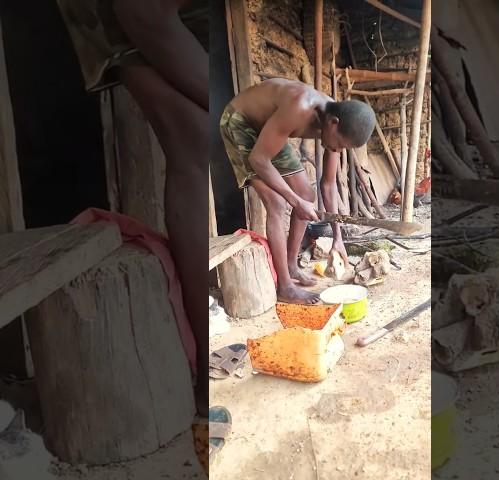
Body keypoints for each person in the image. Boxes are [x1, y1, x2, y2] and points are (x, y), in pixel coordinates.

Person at [57, 0, 209, 416]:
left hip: (165, 18)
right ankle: (202, 372)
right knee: (197, 141)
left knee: (200, 141)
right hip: (128, 13)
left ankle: (202, 364)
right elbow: (144, 15)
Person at [220, 78, 376, 304]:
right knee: (277, 203)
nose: (337, 150)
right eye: (340, 145)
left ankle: (291, 265)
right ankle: (285, 287)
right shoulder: (300, 107)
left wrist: (337, 239)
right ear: (333, 123)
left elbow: (328, 185)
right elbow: (259, 159)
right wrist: (293, 201)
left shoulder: (338, 123)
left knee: (307, 194)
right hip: (239, 121)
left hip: (269, 129)